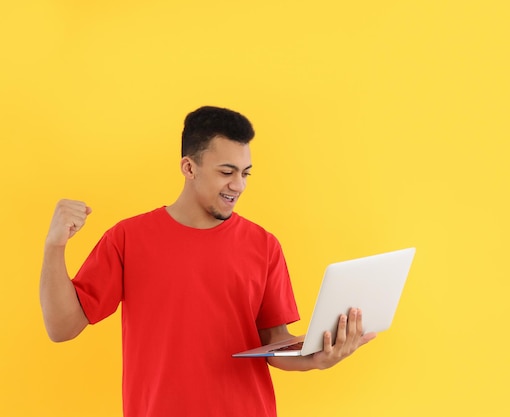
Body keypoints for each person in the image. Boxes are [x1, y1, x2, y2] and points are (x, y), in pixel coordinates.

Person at [39, 106, 376, 417]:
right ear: (189, 167)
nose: (238, 185)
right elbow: (62, 328)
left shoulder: (264, 245)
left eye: (245, 173)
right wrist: (55, 246)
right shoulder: (128, 238)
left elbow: (274, 344)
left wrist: (315, 358)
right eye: (226, 172)